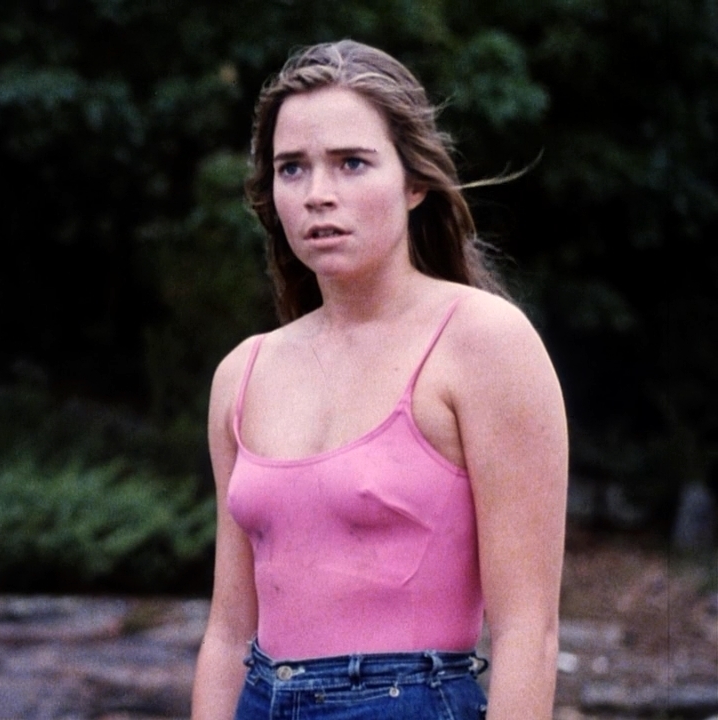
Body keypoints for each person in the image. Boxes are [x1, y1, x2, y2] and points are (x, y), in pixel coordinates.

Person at [191, 40, 567, 720]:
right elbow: (226, 633)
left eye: (352, 162)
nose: (318, 194)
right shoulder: (243, 373)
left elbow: (527, 635)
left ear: (414, 182)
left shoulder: (484, 343)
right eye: (292, 168)